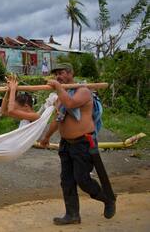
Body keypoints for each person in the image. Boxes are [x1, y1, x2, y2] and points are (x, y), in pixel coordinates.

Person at [39, 63, 116, 225]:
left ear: (70, 73)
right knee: (66, 180)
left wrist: (59, 88)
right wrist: (46, 137)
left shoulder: (84, 91)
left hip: (83, 143)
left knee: (82, 179)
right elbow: (58, 118)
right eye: (56, 74)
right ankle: (72, 215)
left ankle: (108, 199)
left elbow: (71, 104)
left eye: (61, 73)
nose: (58, 77)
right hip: (66, 144)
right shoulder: (63, 95)